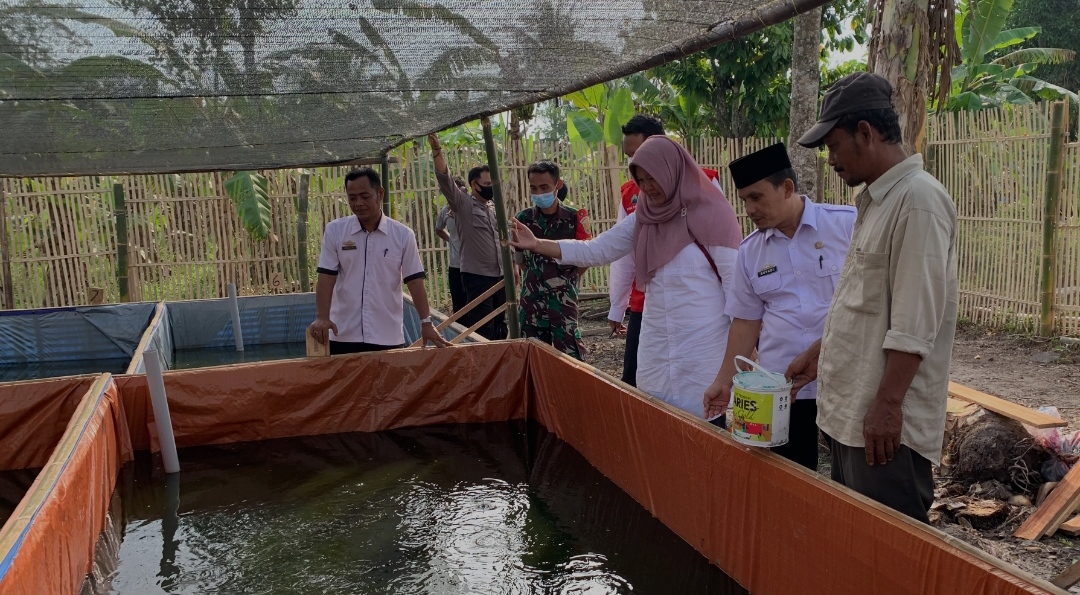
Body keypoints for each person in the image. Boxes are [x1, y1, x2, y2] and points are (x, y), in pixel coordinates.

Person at [786, 72, 958, 523]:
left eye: (834, 145)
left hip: (882, 429)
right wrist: (819, 352)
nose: (831, 160)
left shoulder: (918, 201)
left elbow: (915, 322)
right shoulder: (877, 202)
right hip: (853, 415)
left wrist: (887, 406)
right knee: (858, 541)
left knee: (891, 554)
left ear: (866, 132)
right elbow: (869, 306)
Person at [510, 136, 742, 417]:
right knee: (658, 418)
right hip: (657, 341)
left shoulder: (713, 214)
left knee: (706, 422)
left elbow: (737, 293)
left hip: (704, 344)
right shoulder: (644, 216)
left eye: (653, 177)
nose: (647, 187)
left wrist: (737, 358)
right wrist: (537, 244)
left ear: (673, 170)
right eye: (641, 180)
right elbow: (597, 250)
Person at [703, 143, 856, 471]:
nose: (749, 209)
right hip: (781, 389)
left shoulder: (846, 226)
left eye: (756, 197)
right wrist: (723, 380)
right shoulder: (750, 251)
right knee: (787, 475)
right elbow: (745, 323)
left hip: (845, 380)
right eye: (743, 200)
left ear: (787, 188)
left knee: (853, 480)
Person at [609, 115, 724, 386]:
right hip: (646, 301)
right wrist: (617, 306)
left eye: (638, 153)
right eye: (630, 157)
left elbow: (722, 249)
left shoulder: (704, 184)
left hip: (695, 303)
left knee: (696, 381)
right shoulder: (631, 195)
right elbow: (623, 253)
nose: (635, 164)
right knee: (637, 381)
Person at [308, 168, 449, 353]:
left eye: (365, 196)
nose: (358, 203)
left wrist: (426, 322)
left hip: (387, 336)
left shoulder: (402, 235)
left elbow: (414, 281)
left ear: (380, 193)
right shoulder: (335, 231)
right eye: (352, 198)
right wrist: (322, 317)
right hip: (343, 334)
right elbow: (326, 277)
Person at [428, 134, 507, 339]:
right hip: (478, 277)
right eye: (487, 183)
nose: (491, 187)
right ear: (474, 184)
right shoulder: (463, 205)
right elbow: (445, 179)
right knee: (483, 327)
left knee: (500, 324)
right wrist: (437, 150)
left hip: (499, 276)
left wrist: (512, 268)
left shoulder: (492, 208)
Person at [513, 161, 591, 360]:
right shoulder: (523, 219)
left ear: (558, 184)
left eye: (544, 187)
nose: (539, 193)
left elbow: (585, 258)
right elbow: (520, 259)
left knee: (569, 359)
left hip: (563, 305)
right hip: (532, 305)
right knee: (533, 358)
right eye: (534, 188)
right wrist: (537, 278)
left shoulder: (575, 218)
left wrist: (565, 279)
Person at [434, 175, 468, 314]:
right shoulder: (445, 211)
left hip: (475, 267)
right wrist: (451, 240)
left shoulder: (472, 209)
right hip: (455, 265)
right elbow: (439, 229)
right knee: (459, 305)